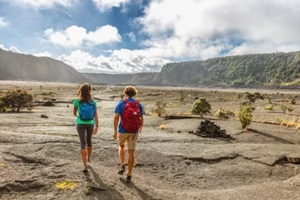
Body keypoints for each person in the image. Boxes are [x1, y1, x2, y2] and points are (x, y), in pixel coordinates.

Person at [113, 85, 144, 182]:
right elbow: (141, 118)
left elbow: (116, 117)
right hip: (134, 131)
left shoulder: (121, 103)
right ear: (134, 93)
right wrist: (140, 127)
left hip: (123, 130)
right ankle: (129, 174)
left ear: (125, 93)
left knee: (122, 146)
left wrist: (115, 131)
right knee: (131, 152)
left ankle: (122, 164)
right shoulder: (138, 104)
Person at [73, 83, 99, 172]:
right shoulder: (93, 102)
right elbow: (95, 115)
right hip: (90, 123)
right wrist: (97, 126)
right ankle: (89, 158)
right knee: (89, 141)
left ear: (81, 90)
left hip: (80, 123)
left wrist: (79, 117)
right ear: (90, 91)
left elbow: (74, 113)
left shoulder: (77, 101)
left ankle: (85, 165)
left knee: (82, 143)